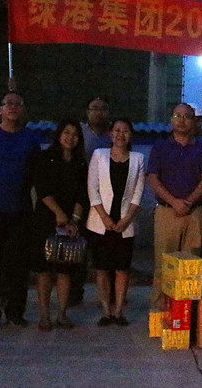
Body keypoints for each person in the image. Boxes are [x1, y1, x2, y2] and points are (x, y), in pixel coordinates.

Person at [0, 92, 41, 329]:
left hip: (20, 210)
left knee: (18, 264)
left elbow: (34, 171)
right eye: (7, 104)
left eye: (17, 104)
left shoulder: (30, 140)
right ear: (0, 110)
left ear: (22, 109)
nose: (12, 107)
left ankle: (15, 312)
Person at [147, 103, 202, 311]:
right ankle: (160, 312)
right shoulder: (160, 147)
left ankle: (186, 314)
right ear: (171, 120)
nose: (182, 120)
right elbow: (153, 178)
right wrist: (175, 202)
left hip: (195, 213)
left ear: (194, 121)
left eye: (187, 116)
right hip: (167, 211)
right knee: (163, 264)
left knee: (191, 266)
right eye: (178, 116)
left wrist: (189, 202)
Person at [31, 119, 88, 332]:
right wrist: (59, 214)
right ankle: (44, 315)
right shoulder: (45, 158)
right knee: (44, 270)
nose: (70, 137)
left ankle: (62, 314)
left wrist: (74, 220)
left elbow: (83, 194)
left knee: (65, 270)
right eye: (66, 132)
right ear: (59, 134)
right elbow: (42, 189)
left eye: (75, 134)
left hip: (70, 223)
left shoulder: (80, 163)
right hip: (46, 219)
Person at [87, 118, 144, 326]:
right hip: (100, 222)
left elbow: (138, 192)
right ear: (110, 133)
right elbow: (92, 188)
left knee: (122, 268)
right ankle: (105, 310)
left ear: (131, 135)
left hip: (125, 223)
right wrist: (104, 217)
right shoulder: (99, 155)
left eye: (125, 131)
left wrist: (126, 219)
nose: (121, 134)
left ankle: (119, 311)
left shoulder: (138, 158)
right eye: (117, 130)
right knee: (102, 268)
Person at [73, 96, 112, 305]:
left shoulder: (114, 135)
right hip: (81, 197)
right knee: (77, 246)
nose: (99, 112)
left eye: (103, 108)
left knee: (104, 249)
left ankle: (107, 295)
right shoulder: (80, 133)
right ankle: (74, 292)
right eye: (94, 108)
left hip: (106, 199)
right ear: (87, 112)